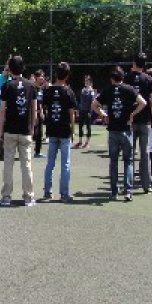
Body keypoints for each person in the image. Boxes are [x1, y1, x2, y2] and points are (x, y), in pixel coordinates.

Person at [92, 67, 147, 202]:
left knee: (113, 162)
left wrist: (103, 115)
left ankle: (114, 192)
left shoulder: (107, 90)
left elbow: (94, 104)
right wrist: (133, 114)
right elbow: (143, 102)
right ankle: (128, 191)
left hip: (113, 130)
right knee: (128, 162)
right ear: (123, 77)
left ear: (112, 79)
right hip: (126, 130)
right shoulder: (129, 89)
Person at [0, 56, 37, 207]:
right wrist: (32, 128)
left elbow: (2, 110)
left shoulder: (7, 86)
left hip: (10, 130)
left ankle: (6, 197)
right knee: (26, 164)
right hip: (25, 130)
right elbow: (34, 109)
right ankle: (29, 197)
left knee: (8, 164)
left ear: (10, 69)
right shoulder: (31, 85)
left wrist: (0, 130)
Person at [42, 62, 77, 203]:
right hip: (64, 131)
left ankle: (47, 191)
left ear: (56, 74)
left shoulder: (48, 91)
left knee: (50, 163)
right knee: (65, 164)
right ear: (67, 75)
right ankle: (64, 193)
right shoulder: (68, 92)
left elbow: (45, 109)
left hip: (52, 130)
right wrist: (73, 131)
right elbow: (71, 114)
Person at [124, 53, 152, 194]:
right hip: (145, 121)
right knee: (145, 153)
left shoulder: (126, 77)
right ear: (144, 65)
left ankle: (128, 185)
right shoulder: (149, 79)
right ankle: (146, 185)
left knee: (129, 153)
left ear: (134, 63)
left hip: (130, 120)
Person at [75, 75, 96, 149]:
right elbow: (80, 101)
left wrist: (90, 111)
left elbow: (92, 102)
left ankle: (87, 142)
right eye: (85, 80)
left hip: (88, 111)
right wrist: (78, 110)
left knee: (88, 127)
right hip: (81, 111)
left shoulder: (92, 91)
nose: (85, 82)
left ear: (90, 82)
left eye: (87, 80)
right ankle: (80, 141)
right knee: (80, 126)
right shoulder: (82, 90)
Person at [32, 70, 47, 157]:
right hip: (33, 114)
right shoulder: (32, 88)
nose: (42, 78)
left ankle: (37, 152)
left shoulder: (41, 89)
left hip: (39, 114)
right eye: (41, 76)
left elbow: (41, 102)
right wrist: (35, 113)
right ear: (36, 77)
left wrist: (42, 111)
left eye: (43, 76)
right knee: (32, 133)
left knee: (39, 133)